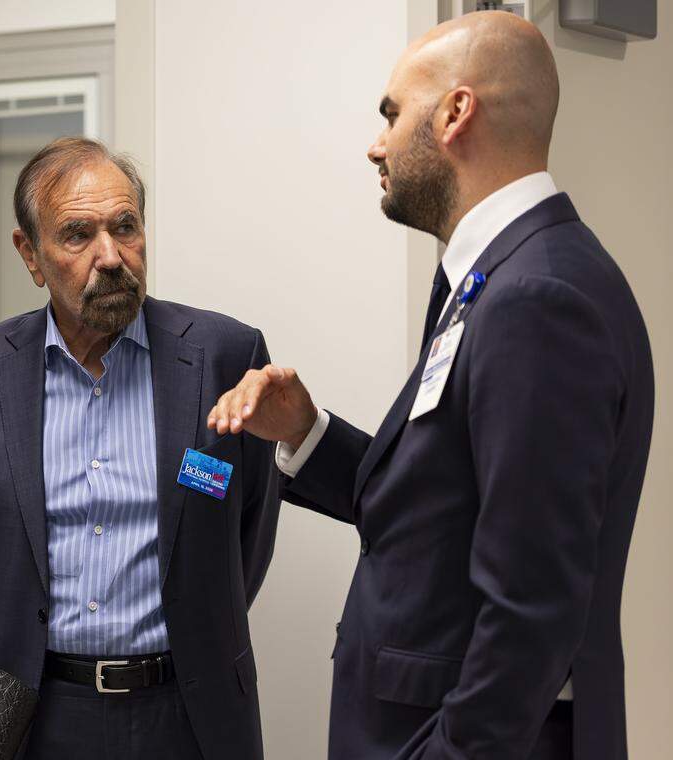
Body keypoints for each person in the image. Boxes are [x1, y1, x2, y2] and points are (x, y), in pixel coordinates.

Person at [209, 12, 652, 760]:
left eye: (391, 114)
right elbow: (442, 505)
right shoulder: (495, 276)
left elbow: (532, 607)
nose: (375, 144)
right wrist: (304, 433)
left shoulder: (536, 298)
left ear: (455, 113)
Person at [0, 137, 281, 760]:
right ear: (29, 255)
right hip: (28, 713)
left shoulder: (225, 355)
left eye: (125, 227)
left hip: (186, 710)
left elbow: (247, 537)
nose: (111, 256)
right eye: (76, 235)